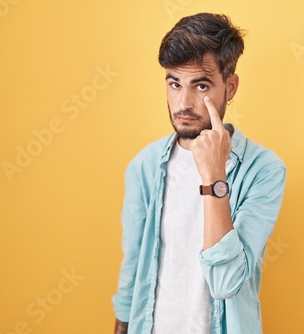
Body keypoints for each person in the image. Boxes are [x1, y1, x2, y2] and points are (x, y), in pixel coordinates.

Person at [112, 12, 286, 334]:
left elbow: (225, 282)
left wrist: (214, 175)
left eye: (201, 85)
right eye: (174, 83)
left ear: (230, 87)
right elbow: (133, 260)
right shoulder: (145, 165)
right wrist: (122, 323)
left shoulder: (264, 170)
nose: (183, 103)